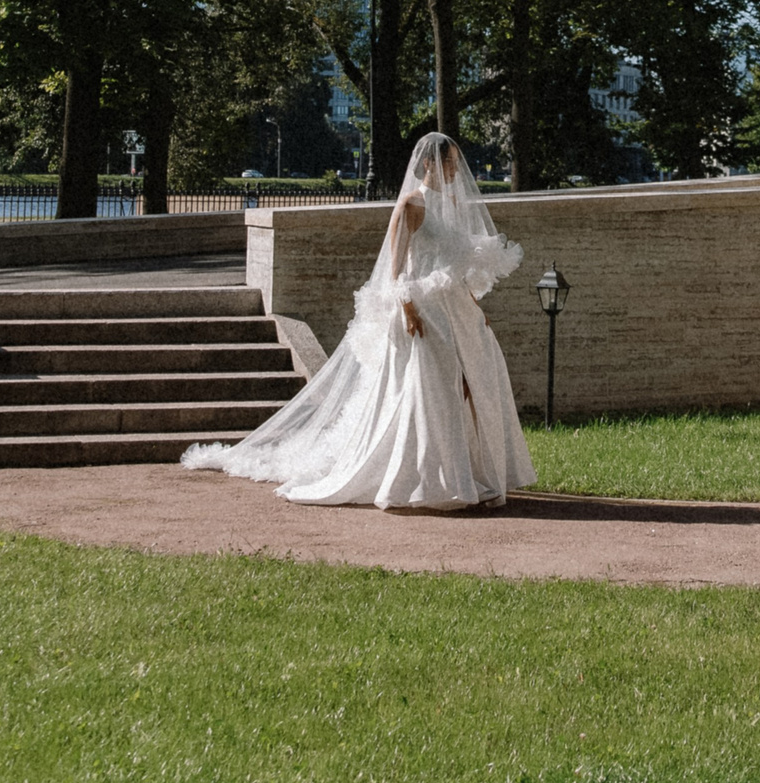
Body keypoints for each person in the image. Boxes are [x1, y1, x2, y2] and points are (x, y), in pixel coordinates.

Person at [182, 133, 535, 509]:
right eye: (448, 162)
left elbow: (454, 268)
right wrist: (408, 309)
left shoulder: (449, 204)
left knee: (470, 386)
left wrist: (477, 310)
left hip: (457, 311)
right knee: (434, 391)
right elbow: (395, 268)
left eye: (455, 163)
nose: (454, 170)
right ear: (430, 163)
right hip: (422, 311)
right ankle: (431, 481)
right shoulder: (412, 204)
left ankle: (467, 476)